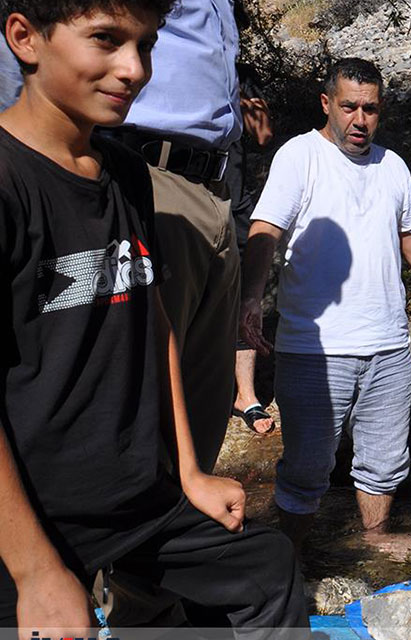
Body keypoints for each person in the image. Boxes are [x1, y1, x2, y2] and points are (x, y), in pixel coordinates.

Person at [0, 0, 306, 634]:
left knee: (268, 568)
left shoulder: (126, 176)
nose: (133, 68)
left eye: (145, 45)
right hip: (26, 520)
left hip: (134, 505)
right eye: (106, 40)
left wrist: (189, 472)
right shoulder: (9, 185)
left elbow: (157, 317)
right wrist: (34, 570)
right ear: (25, 38)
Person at [239, 58, 411, 556]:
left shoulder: (392, 166)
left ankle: (373, 544)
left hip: (389, 348)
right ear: (327, 104)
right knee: (308, 466)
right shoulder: (300, 156)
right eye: (349, 107)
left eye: (371, 109)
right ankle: (288, 562)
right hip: (317, 350)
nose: (360, 119)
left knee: (382, 463)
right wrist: (252, 296)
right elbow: (265, 229)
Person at [106, 0, 243, 472]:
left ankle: (186, 521)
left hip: (216, 187)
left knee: (207, 381)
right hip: (151, 174)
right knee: (149, 375)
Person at [229, 63, 275, 435]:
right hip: (180, 191)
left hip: (234, 199)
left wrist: (238, 99)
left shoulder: (239, 74)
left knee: (245, 291)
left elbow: (263, 135)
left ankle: (245, 394)